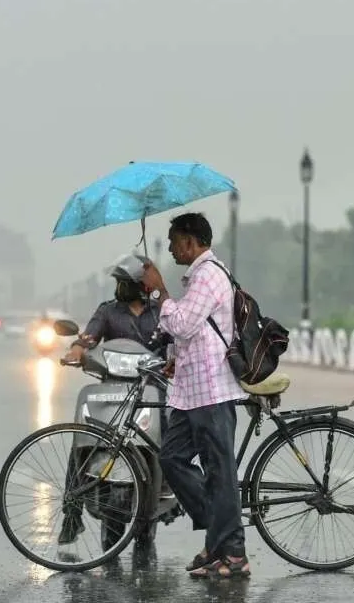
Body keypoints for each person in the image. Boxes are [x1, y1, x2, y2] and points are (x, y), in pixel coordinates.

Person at [142, 212, 251, 579]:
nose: (171, 246)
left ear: (191, 241)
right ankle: (219, 533)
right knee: (171, 458)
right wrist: (173, 358)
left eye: (174, 240)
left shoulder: (208, 275)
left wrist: (158, 292)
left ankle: (233, 552)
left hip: (212, 389)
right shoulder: (198, 278)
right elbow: (194, 332)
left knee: (221, 472)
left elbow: (183, 324)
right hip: (191, 391)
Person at [57, 252, 165, 545]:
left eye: (125, 282)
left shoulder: (161, 313)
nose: (120, 288)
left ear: (142, 285)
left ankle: (168, 488)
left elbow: (177, 342)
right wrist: (78, 350)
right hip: (112, 389)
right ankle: (72, 512)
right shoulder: (108, 312)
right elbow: (88, 337)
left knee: (169, 440)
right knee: (83, 442)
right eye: (118, 283)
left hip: (152, 390)